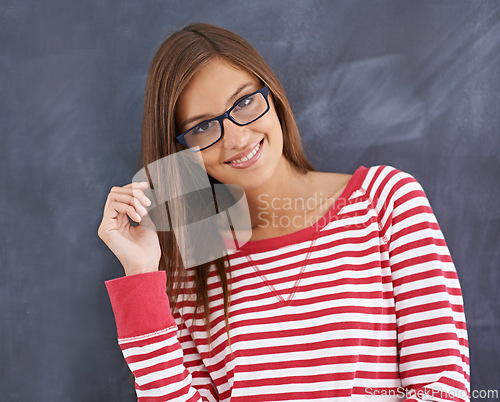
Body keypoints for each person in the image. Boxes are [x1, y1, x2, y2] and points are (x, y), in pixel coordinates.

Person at [97, 22, 470, 401]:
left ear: (271, 94)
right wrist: (142, 272)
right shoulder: (191, 262)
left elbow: (442, 389)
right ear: (182, 151)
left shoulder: (384, 202)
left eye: (244, 102)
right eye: (204, 127)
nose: (237, 138)